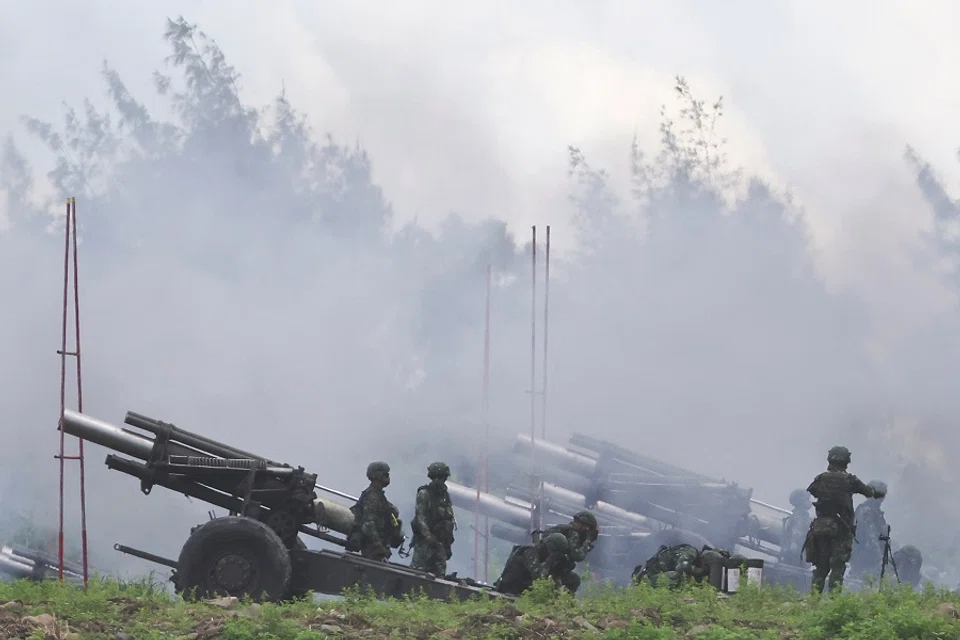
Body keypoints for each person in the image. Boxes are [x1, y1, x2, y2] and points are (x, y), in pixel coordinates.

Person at [804, 445, 886, 594]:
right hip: (841, 530)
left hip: (821, 528)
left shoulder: (820, 478)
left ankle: (813, 600)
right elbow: (868, 492)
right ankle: (834, 601)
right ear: (847, 461)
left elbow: (813, 492)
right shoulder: (850, 480)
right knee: (837, 567)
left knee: (821, 568)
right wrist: (877, 492)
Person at [346, 461, 404, 561]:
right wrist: (378, 545)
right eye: (385, 474)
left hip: (379, 545)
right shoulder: (372, 496)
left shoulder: (379, 496)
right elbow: (368, 524)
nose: (387, 477)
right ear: (377, 475)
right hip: (372, 547)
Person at [410, 461, 457, 576]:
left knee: (439, 576)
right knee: (417, 573)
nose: (440, 481)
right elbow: (420, 516)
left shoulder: (445, 496)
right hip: (425, 543)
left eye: (442, 478)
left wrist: (448, 544)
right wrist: (427, 536)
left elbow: (449, 519)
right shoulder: (424, 493)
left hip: (440, 543)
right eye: (438, 477)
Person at [494, 532, 573, 596]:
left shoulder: (545, 555)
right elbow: (538, 577)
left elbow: (553, 579)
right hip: (511, 588)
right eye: (555, 552)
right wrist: (549, 561)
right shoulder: (531, 551)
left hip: (524, 589)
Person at [540, 510, 599, 594]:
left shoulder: (567, 530)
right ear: (583, 525)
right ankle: (563, 603)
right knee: (574, 581)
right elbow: (577, 556)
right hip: (548, 568)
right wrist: (588, 542)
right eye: (587, 527)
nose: (587, 530)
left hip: (551, 567)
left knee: (573, 579)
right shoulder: (573, 534)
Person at [848, 480, 889, 582]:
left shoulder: (875, 512)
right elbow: (871, 537)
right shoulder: (866, 511)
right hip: (864, 555)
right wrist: (880, 558)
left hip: (869, 555)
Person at [779, 489, 812, 566]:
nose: (810, 501)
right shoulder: (799, 517)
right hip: (796, 557)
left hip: (795, 555)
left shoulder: (800, 515)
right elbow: (797, 537)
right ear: (801, 502)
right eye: (807, 499)